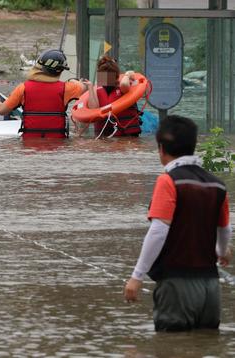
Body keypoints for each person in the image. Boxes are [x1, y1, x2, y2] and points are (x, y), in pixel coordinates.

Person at [124, 115, 232, 331]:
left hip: (177, 285)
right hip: (210, 286)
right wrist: (221, 251)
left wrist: (137, 276)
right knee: (205, 343)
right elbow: (224, 230)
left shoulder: (168, 180)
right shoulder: (217, 185)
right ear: (192, 146)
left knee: (171, 345)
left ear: (161, 149)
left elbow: (158, 230)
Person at [0, 49, 88, 139]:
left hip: (28, 145)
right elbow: (84, 87)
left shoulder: (23, 88)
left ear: (40, 67)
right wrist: (73, 81)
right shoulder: (67, 88)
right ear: (61, 70)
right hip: (57, 144)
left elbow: (1, 110)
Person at [83, 55, 141, 138]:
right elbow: (93, 110)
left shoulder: (123, 86)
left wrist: (127, 75)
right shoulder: (97, 89)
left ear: (116, 76)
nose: (106, 80)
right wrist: (90, 88)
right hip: (106, 135)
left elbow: (124, 84)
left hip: (126, 134)